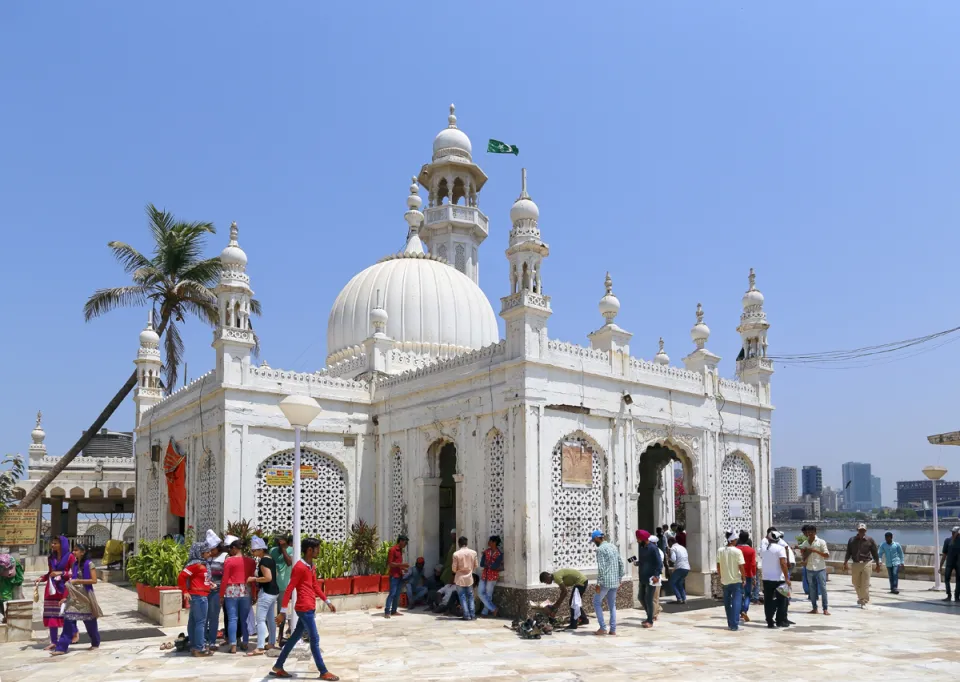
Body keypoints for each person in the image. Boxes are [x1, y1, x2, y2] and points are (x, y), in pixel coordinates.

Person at [271, 538, 339, 681]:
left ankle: (278, 665)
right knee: (314, 638)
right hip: (304, 608)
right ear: (309, 550)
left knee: (295, 637)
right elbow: (289, 589)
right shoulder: (299, 567)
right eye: (317, 549)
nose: (319, 551)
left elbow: (314, 585)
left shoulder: (311, 566)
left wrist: (327, 601)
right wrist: (283, 611)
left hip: (309, 607)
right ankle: (323, 671)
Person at [52, 543, 101, 655]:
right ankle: (61, 648)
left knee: (89, 621)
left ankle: (95, 642)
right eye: (73, 550)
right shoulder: (74, 564)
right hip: (74, 595)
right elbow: (71, 581)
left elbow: (94, 580)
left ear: (82, 552)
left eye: (76, 550)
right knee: (68, 619)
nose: (73, 552)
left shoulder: (90, 564)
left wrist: (78, 581)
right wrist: (65, 597)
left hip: (85, 595)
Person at [35, 536, 76, 651]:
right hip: (52, 589)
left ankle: (71, 636)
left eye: (55, 543)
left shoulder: (70, 557)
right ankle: (53, 641)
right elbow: (50, 573)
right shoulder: (51, 558)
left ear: (62, 544)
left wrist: (61, 573)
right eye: (52, 543)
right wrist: (42, 578)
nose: (52, 545)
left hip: (65, 588)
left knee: (66, 614)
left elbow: (74, 573)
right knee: (51, 614)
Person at [178, 542, 214, 657]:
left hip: (199, 595)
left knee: (194, 621)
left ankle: (194, 646)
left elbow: (199, 579)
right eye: (207, 552)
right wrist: (185, 591)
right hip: (199, 597)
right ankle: (199, 648)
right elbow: (181, 577)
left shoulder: (201, 565)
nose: (209, 554)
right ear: (200, 552)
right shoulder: (196, 565)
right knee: (200, 622)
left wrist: (210, 584)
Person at [247, 536, 279, 655]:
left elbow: (268, 577)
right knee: (270, 618)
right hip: (273, 592)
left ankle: (259, 647)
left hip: (266, 593)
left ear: (261, 550)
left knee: (260, 620)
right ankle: (271, 642)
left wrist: (253, 579)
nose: (253, 553)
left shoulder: (264, 561)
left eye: (254, 551)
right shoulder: (270, 558)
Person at [222, 538, 254, 653]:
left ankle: (233, 645)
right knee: (244, 619)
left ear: (235, 548)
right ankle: (245, 642)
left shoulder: (229, 561)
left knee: (232, 619)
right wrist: (254, 594)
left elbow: (225, 578)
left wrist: (221, 595)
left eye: (231, 549)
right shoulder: (250, 561)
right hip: (245, 590)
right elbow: (252, 579)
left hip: (231, 590)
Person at [590, 530, 624, 636]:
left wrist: (598, 583)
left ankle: (603, 627)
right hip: (614, 581)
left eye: (594, 540)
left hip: (605, 581)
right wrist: (620, 578)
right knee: (612, 605)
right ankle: (613, 629)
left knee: (596, 602)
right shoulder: (613, 547)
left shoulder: (600, 549)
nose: (594, 542)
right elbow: (621, 563)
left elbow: (602, 567)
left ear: (596, 538)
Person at [842, 523, 880, 608]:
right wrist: (845, 562)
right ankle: (861, 597)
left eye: (863, 530)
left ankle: (864, 600)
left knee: (865, 583)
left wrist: (877, 564)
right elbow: (848, 552)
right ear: (857, 530)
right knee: (855, 582)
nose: (861, 532)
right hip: (856, 563)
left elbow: (875, 553)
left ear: (865, 531)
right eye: (860, 530)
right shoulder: (851, 540)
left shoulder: (870, 540)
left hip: (867, 563)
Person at [760, 530, 791, 628]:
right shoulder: (780, 549)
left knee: (768, 600)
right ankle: (780, 620)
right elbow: (783, 563)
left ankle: (769, 620)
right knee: (782, 600)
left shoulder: (763, 549)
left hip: (766, 578)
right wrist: (787, 577)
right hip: (779, 578)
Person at [717, 530, 746, 631]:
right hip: (736, 580)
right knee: (736, 602)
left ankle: (730, 623)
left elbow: (718, 565)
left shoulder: (720, 550)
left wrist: (721, 576)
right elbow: (741, 566)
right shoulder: (737, 551)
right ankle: (734, 624)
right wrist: (744, 577)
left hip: (725, 580)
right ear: (732, 540)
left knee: (727, 603)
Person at [206, 535, 231, 650]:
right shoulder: (207, 557)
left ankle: (212, 641)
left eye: (213, 549)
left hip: (217, 591)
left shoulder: (225, 557)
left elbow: (227, 575)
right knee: (204, 617)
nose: (211, 552)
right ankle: (203, 639)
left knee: (213, 616)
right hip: (205, 590)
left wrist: (220, 587)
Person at [634, 529, 662, 628]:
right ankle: (649, 615)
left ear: (642, 539)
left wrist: (657, 576)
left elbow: (659, 563)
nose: (637, 541)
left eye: (638, 539)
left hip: (651, 578)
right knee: (641, 597)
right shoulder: (641, 548)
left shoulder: (653, 548)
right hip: (643, 577)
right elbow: (643, 561)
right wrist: (637, 563)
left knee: (649, 599)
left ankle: (650, 620)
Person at [268, 535, 294, 643]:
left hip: (283, 586)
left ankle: (280, 635)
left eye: (282, 543)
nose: (279, 545)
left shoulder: (291, 550)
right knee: (269, 612)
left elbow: (289, 562)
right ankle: (271, 634)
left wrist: (283, 549)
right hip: (272, 585)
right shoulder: (273, 551)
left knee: (281, 611)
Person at [800, 525, 830, 614]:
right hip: (809, 568)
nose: (810, 534)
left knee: (823, 588)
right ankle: (814, 608)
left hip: (820, 568)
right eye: (808, 532)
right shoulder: (805, 543)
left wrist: (815, 551)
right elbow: (804, 556)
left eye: (811, 532)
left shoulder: (821, 542)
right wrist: (805, 553)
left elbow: (826, 555)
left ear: (815, 532)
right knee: (812, 589)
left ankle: (825, 608)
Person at [451, 536, 478, 621]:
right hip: (469, 578)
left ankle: (466, 615)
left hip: (460, 578)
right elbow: (476, 565)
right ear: (466, 543)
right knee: (470, 596)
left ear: (459, 543)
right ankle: (472, 615)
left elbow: (454, 569)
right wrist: (469, 570)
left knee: (462, 597)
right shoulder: (473, 553)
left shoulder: (456, 554)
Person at [384, 534, 409, 618]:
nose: (405, 545)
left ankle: (394, 611)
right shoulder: (393, 550)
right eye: (405, 543)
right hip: (394, 576)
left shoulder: (400, 550)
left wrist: (403, 568)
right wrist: (402, 564)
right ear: (401, 541)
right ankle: (387, 611)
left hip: (399, 575)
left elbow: (397, 564)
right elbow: (390, 563)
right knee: (392, 593)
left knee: (397, 594)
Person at [478, 535, 503, 617]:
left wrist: (488, 563)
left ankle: (485, 612)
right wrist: (490, 563)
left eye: (490, 541)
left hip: (492, 576)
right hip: (485, 575)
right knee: (480, 592)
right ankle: (493, 608)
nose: (488, 542)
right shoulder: (486, 551)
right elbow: (482, 564)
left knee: (488, 594)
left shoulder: (499, 554)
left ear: (494, 542)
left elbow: (494, 566)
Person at [736, 532, 757, 623]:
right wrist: (754, 576)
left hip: (737, 574)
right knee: (748, 594)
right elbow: (753, 564)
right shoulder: (751, 550)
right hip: (748, 574)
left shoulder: (735, 549)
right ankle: (744, 610)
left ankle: (739, 611)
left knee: (739, 594)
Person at [878, 531, 905, 596]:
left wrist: (902, 562)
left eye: (888, 537)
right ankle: (892, 588)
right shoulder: (883, 545)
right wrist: (880, 560)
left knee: (895, 574)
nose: (887, 539)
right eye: (886, 538)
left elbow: (901, 554)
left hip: (896, 562)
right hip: (888, 563)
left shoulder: (896, 544)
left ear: (891, 537)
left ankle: (895, 588)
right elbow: (880, 553)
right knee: (890, 576)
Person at [0, 553, 24, 622]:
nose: (10, 572)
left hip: (9, 598)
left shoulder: (15, 566)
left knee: (10, 617)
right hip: (3, 597)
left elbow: (19, 580)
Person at [667, 536, 690, 604]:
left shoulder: (673, 548)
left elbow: (673, 559)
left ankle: (679, 598)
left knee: (672, 582)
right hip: (686, 567)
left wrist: (669, 557)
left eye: (668, 543)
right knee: (679, 583)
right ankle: (684, 598)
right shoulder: (682, 547)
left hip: (680, 567)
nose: (669, 545)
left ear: (670, 542)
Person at [941, 526, 960, 602]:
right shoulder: (947, 540)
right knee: (946, 579)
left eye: (954, 532)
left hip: (958, 563)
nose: (953, 533)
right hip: (950, 563)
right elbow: (944, 554)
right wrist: (940, 565)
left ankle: (957, 596)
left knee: (958, 580)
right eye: (952, 532)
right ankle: (949, 595)